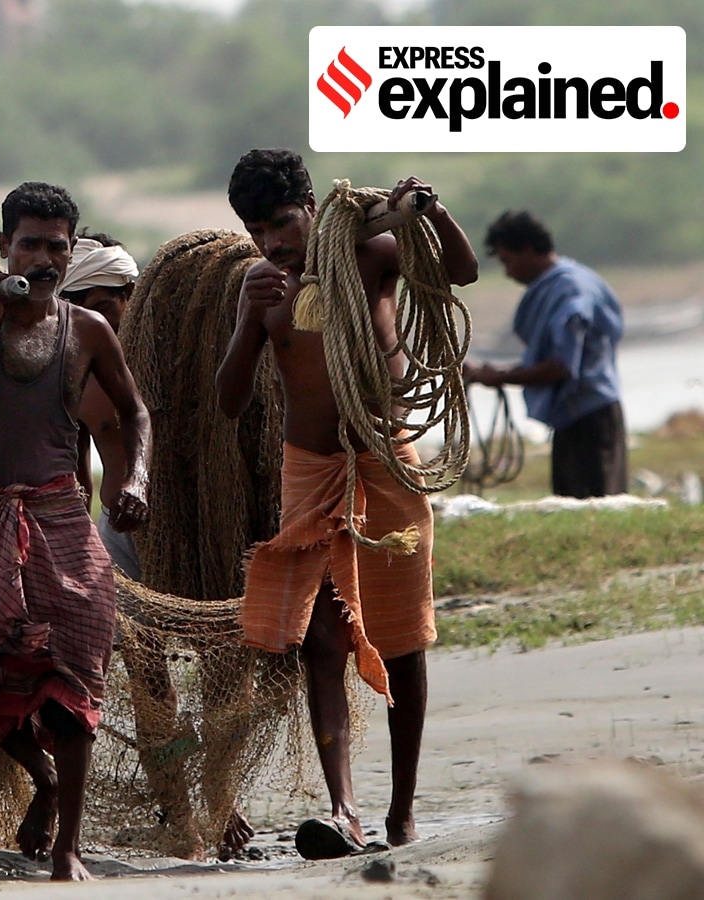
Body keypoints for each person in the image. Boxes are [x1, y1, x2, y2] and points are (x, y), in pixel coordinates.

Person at [214, 149, 477, 857]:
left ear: (311, 206)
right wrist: (247, 319)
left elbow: (462, 273)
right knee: (323, 641)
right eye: (256, 230)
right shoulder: (263, 290)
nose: (272, 242)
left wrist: (433, 212)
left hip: (386, 459)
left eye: (282, 223)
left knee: (403, 640)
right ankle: (344, 810)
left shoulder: (371, 252)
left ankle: (401, 813)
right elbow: (230, 400)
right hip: (310, 470)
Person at [0, 182, 150, 881]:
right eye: (30, 244)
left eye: (57, 246)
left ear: (71, 251)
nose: (44, 259)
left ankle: (68, 847)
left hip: (60, 521)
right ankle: (42, 781)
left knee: (75, 678)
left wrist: (136, 480)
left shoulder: (88, 330)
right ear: (4, 248)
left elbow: (136, 414)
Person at [464, 211, 626, 498]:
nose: (507, 272)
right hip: (575, 414)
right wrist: (492, 373)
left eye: (507, 261)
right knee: (575, 501)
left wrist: (499, 376)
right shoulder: (571, 279)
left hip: (588, 417)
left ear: (527, 250)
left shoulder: (569, 291)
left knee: (593, 504)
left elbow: (560, 367)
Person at [61, 230, 142, 580]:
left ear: (129, 294)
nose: (93, 323)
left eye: (102, 308)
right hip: (117, 530)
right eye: (78, 311)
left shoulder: (161, 360)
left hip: (183, 524)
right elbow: (76, 471)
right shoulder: (72, 369)